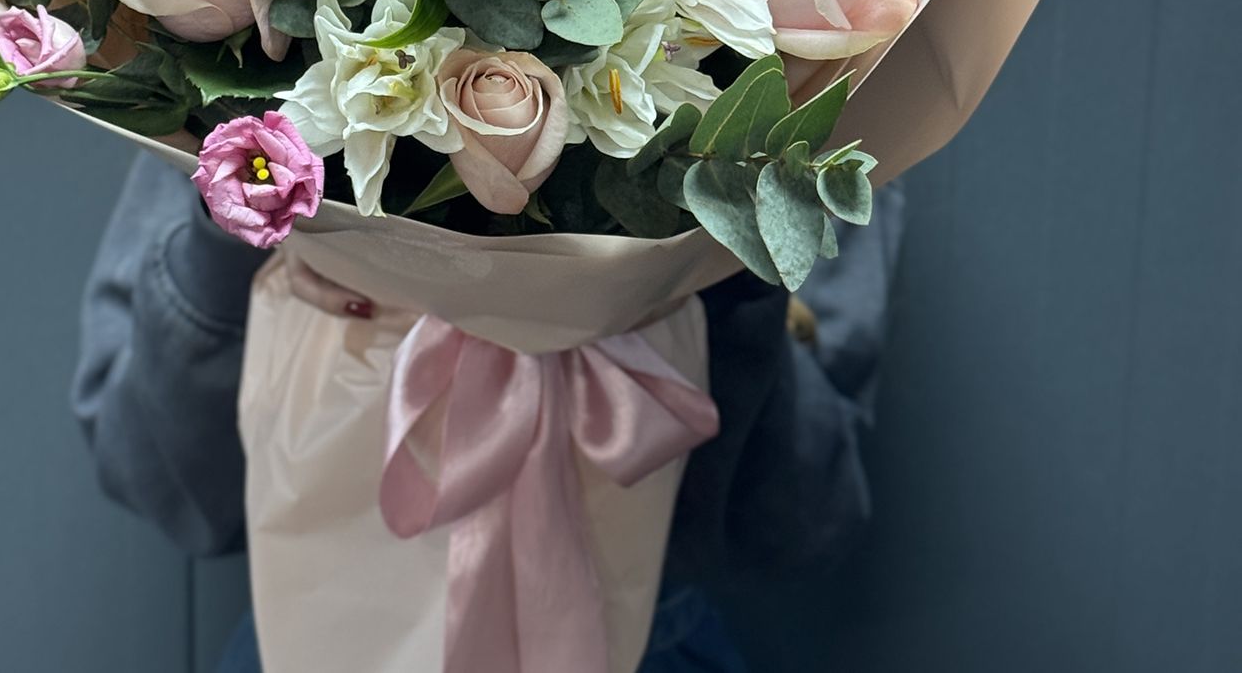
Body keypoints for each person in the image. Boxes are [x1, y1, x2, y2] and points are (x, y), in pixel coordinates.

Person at [73, 153, 905, 670]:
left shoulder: (806, 84)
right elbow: (165, 484)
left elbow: (803, 521)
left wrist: (712, 273)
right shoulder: (239, 53)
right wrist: (248, 210)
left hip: (643, 638)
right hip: (313, 631)